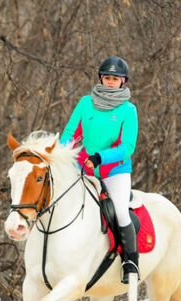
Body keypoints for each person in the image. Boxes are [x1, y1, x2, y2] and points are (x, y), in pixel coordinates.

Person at [60, 56, 139, 284]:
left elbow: (128, 147)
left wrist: (100, 158)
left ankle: (130, 263)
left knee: (121, 212)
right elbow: (69, 135)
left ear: (123, 81)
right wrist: (65, 158)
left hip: (115, 170)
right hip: (84, 167)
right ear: (100, 79)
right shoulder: (86, 103)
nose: (110, 82)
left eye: (115, 79)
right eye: (107, 77)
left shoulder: (128, 110)